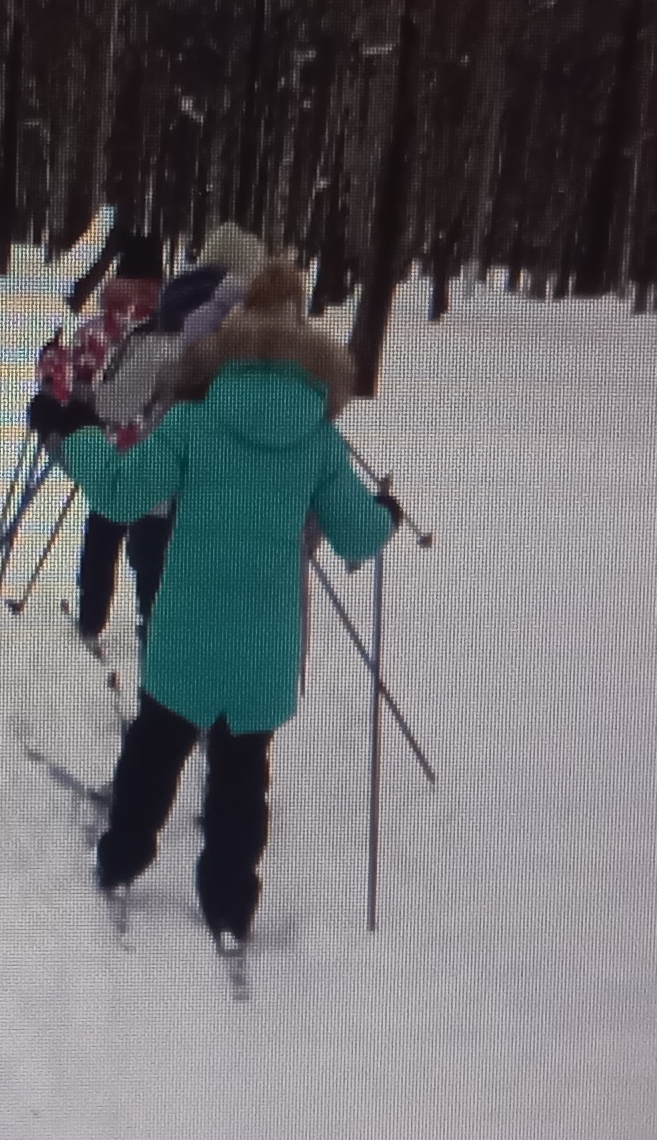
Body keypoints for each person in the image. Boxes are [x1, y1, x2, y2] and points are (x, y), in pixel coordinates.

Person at [29, 260, 401, 947]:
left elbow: (117, 491)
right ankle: (229, 904)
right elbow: (357, 534)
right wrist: (386, 513)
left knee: (154, 751)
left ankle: (121, 859)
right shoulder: (317, 440)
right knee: (241, 775)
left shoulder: (193, 421)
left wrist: (72, 425)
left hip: (187, 630)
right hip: (265, 643)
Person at [35, 230, 171, 649]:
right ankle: (155, 626)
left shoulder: (96, 329)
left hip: (107, 455)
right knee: (152, 551)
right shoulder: (173, 330)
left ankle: (92, 620)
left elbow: (71, 390)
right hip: (158, 462)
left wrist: (50, 368)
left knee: (103, 535)